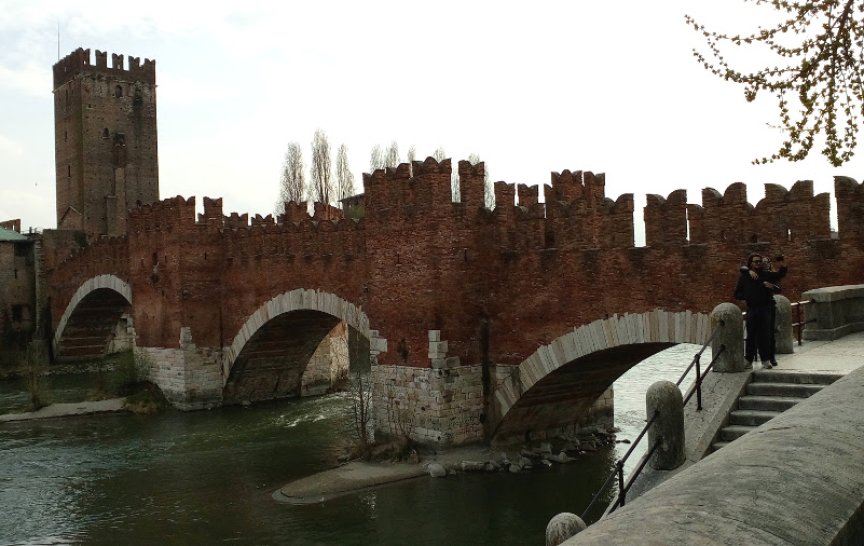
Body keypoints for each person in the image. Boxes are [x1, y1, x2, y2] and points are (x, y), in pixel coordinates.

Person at [734, 254, 787, 369]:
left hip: (765, 308)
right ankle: (748, 360)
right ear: (751, 263)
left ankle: (765, 359)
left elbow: (780, 275)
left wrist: (782, 264)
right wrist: (747, 296)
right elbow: (737, 294)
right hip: (752, 309)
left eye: (759, 262)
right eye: (755, 262)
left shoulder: (766, 275)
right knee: (751, 336)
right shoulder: (745, 276)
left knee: (765, 335)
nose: (758, 263)